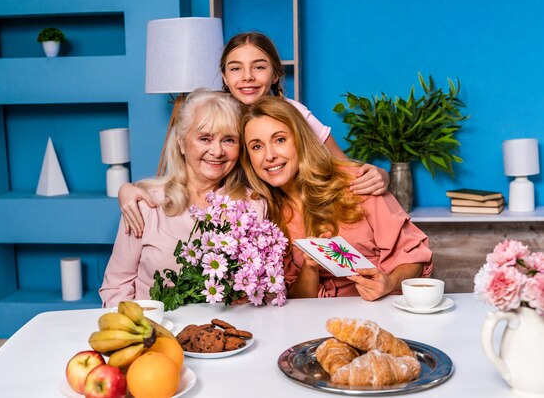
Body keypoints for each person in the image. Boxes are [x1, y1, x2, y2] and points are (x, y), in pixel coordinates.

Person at [119, 31, 389, 237]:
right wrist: (128, 189)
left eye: (259, 67)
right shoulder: (218, 114)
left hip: (293, 218)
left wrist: (381, 175)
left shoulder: (293, 113)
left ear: (275, 75)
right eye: (235, 68)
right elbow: (182, 172)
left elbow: (344, 167)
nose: (247, 77)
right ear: (224, 76)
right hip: (242, 220)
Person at [239, 96, 433, 300]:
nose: (269, 155)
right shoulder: (264, 214)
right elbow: (296, 299)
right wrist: (310, 267)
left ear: (300, 140)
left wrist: (388, 283)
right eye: (257, 146)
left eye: (280, 140)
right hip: (316, 322)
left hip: (383, 309)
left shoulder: (357, 182)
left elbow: (413, 256)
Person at [98, 89, 265, 307]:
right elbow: (116, 288)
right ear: (181, 142)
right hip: (154, 334)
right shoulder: (145, 205)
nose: (217, 151)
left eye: (229, 140)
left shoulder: (253, 205)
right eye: (205, 138)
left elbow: (261, 292)